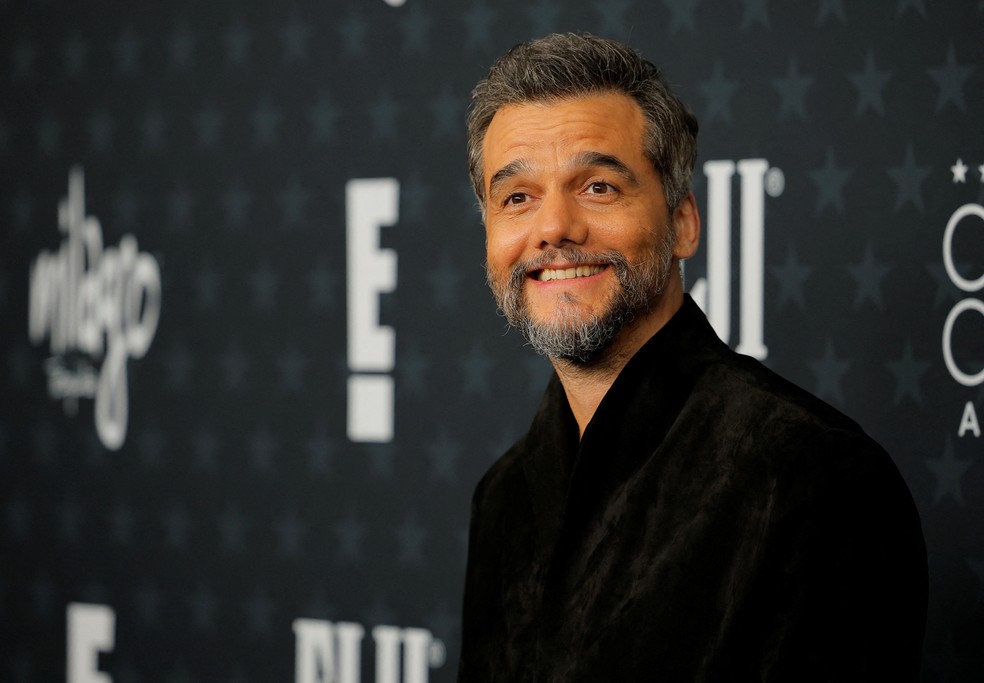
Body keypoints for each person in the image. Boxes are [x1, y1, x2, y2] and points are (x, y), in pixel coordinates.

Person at [458, 33, 927, 681]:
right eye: (517, 197)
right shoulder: (502, 499)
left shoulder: (812, 476)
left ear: (683, 223)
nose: (554, 227)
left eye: (597, 186)